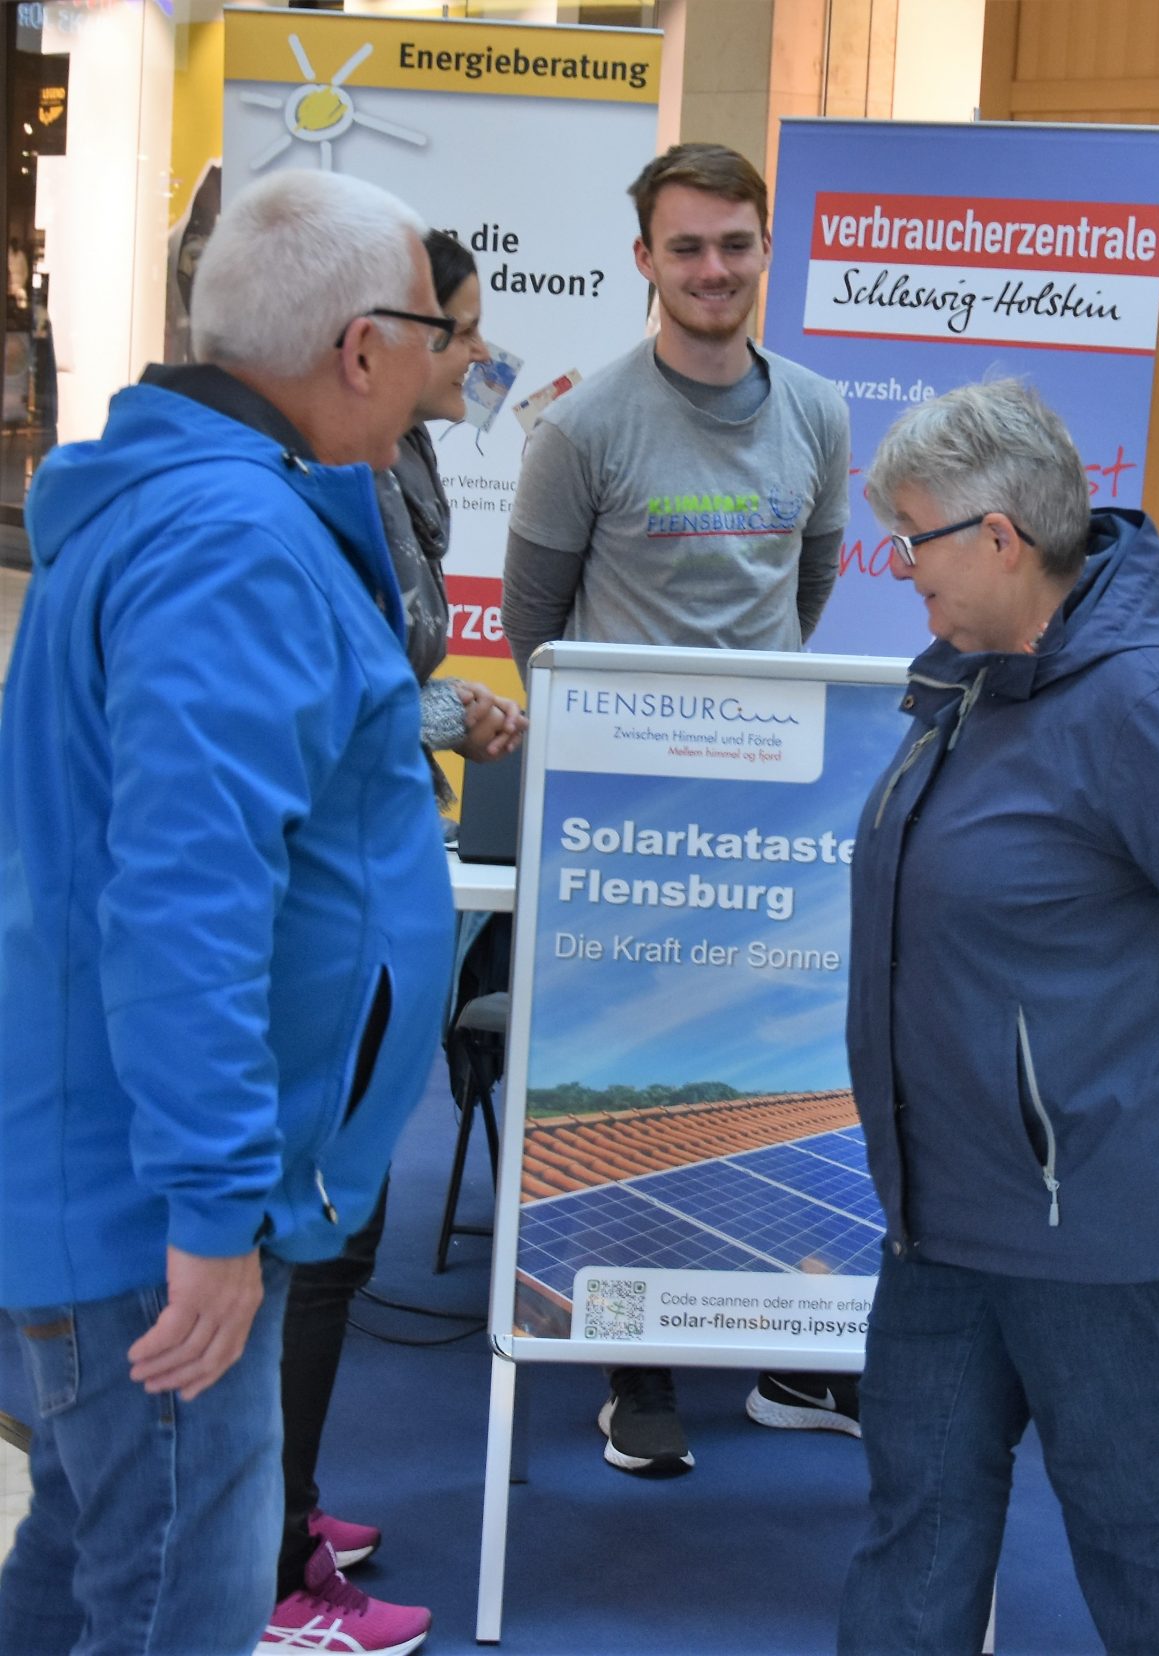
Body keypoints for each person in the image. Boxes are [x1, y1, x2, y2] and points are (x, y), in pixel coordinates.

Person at [0, 169, 456, 1656]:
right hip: (159, 1210)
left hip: (124, 1174)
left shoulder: (202, 512)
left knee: (86, 1565)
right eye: (433, 329)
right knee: (166, 1604)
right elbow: (187, 898)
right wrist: (210, 1209)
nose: (446, 364)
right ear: (359, 342)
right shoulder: (229, 542)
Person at [836, 379, 1159, 1656]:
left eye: (915, 540)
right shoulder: (972, 680)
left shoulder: (1141, 705)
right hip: (947, 1211)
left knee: (1135, 1531)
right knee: (917, 1520)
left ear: (1000, 538)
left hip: (1105, 1222)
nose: (902, 569)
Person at [500, 142, 854, 1475]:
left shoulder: (817, 413)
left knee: (775, 1080)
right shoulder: (583, 426)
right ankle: (632, 1369)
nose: (715, 270)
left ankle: (788, 1364)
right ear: (644, 261)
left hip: (776, 818)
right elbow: (540, 631)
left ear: (769, 251)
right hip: (624, 824)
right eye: (687, 247)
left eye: (737, 244)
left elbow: (805, 586)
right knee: (636, 1065)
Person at [263, 227, 528, 1656]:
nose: (474, 354)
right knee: (314, 1241)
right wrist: (444, 717)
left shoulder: (401, 470)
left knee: (340, 1239)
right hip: (329, 905)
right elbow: (330, 700)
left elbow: (383, 668)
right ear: (374, 338)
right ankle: (274, 1571)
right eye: (455, 328)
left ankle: (285, 1509)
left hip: (379, 875)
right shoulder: (300, 494)